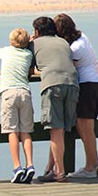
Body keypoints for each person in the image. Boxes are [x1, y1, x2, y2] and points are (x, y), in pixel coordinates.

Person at [52, 14, 98, 179]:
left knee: (85, 127)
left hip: (87, 86)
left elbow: (66, 66)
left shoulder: (75, 48)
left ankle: (90, 167)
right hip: (95, 83)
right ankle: (94, 160)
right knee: (84, 126)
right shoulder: (82, 37)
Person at [30, 16, 79, 183]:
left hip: (52, 85)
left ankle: (59, 172)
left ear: (36, 31)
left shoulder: (34, 44)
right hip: (73, 84)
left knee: (56, 130)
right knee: (61, 130)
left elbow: (29, 70)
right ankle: (50, 169)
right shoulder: (63, 42)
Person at [0, 28, 36, 184]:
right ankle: (30, 165)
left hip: (9, 93)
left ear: (11, 41)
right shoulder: (28, 54)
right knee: (26, 132)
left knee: (12, 131)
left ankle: (17, 167)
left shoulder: (6, 51)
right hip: (24, 93)